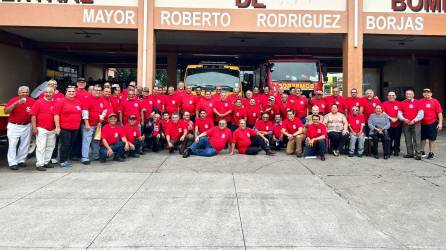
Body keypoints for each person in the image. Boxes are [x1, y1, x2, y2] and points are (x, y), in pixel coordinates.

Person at [5, 86, 35, 170]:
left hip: (27, 125)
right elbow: (6, 111)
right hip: (14, 125)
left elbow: (34, 114)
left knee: (25, 144)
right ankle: (12, 163)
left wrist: (33, 126)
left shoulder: (32, 101)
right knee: (13, 144)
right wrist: (16, 103)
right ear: (19, 93)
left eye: (26, 92)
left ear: (28, 93)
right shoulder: (13, 100)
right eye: (23, 92)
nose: (24, 94)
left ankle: (21, 160)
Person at [53, 86, 82, 168]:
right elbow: (56, 114)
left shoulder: (78, 102)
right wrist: (57, 127)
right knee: (65, 145)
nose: (71, 93)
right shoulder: (61, 102)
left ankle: (65, 159)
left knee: (70, 144)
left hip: (75, 128)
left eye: (73, 91)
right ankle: (62, 161)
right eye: (69, 91)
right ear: (66, 92)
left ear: (75, 93)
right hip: (65, 128)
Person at [31, 87, 57, 171]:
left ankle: (46, 162)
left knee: (50, 146)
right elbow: (33, 115)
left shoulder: (56, 102)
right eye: (47, 92)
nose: (48, 94)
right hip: (41, 128)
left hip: (52, 128)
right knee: (41, 147)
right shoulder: (38, 102)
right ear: (44, 93)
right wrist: (34, 127)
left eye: (50, 92)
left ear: (53, 93)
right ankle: (39, 164)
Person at [81, 85, 107, 165]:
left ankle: (95, 156)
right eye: (96, 90)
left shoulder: (102, 99)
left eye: (99, 90)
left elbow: (105, 109)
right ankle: (85, 158)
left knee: (96, 140)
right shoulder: (87, 99)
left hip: (98, 124)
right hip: (89, 124)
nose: (98, 92)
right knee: (87, 140)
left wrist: (102, 117)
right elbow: (85, 111)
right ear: (92, 91)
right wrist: (86, 123)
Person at [398, 89, 424, 160]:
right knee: (407, 139)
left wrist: (414, 120)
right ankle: (410, 153)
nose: (408, 95)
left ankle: (418, 154)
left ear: (413, 95)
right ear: (405, 95)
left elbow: (421, 113)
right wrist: (404, 119)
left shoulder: (418, 102)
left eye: (410, 94)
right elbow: (399, 114)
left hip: (416, 123)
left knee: (416, 139)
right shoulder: (402, 103)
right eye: (407, 94)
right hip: (406, 123)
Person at [419, 88, 443, 159]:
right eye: (425, 92)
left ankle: (431, 152)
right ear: (423, 94)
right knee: (422, 138)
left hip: (432, 123)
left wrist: (440, 123)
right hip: (422, 123)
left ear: (431, 93)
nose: (426, 93)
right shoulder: (420, 101)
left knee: (432, 139)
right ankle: (421, 151)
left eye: (428, 92)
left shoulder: (435, 101)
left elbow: (439, 113)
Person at [382, 91, 402, 156]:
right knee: (389, 138)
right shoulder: (384, 104)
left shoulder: (399, 103)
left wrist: (396, 118)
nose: (391, 97)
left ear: (395, 96)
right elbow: (384, 113)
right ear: (387, 97)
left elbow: (401, 112)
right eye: (390, 95)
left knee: (397, 138)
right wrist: (391, 118)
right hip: (388, 125)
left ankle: (396, 150)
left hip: (397, 124)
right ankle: (389, 150)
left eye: (393, 95)